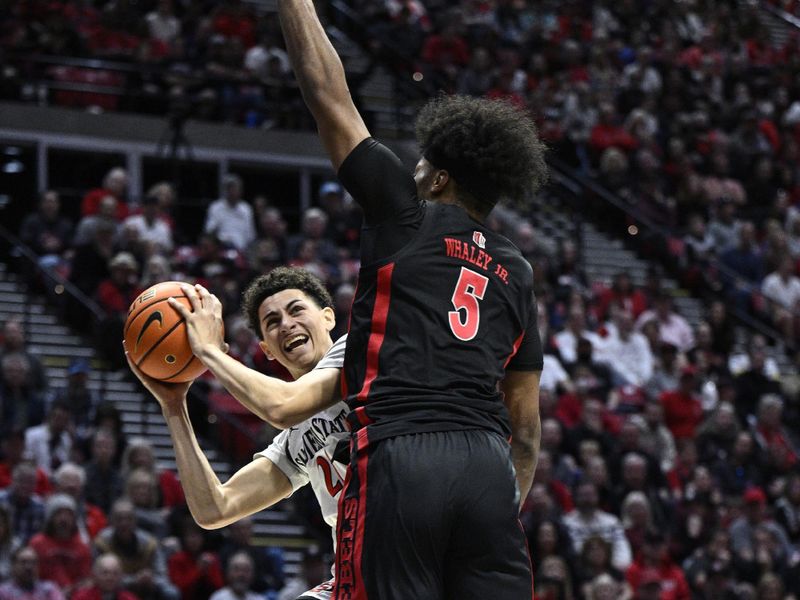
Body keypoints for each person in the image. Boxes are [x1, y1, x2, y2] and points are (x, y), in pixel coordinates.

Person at [228, 2, 543, 597]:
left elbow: (329, 95)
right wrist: (496, 506)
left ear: (442, 177)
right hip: (485, 469)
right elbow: (525, 435)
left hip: (402, 454)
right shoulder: (517, 270)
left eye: (424, 162)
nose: (416, 168)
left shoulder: (406, 214)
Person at [126, 267, 350, 599]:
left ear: (328, 317)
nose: (286, 324)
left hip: (413, 545)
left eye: (296, 309)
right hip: (354, 569)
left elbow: (282, 406)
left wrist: (209, 352)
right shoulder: (296, 438)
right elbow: (215, 508)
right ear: (268, 349)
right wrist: (174, 406)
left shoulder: (359, 350)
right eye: (272, 322)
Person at [0, 545, 65, 600]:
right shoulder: (3, 592)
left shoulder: (49, 589)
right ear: (13, 565)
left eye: (33, 562)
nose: (29, 567)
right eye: (23, 562)